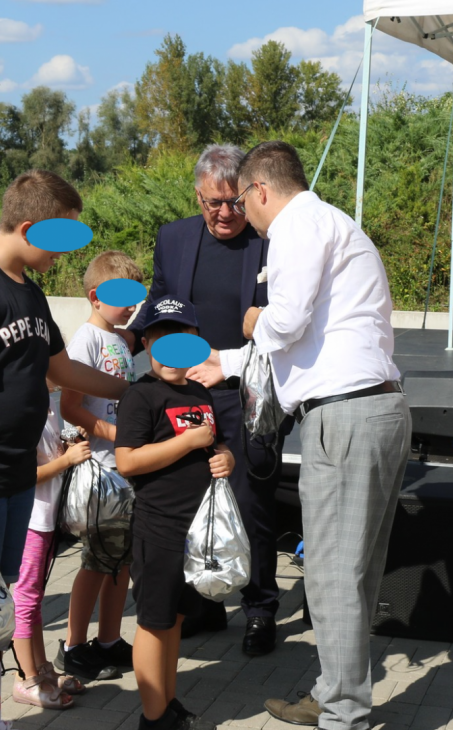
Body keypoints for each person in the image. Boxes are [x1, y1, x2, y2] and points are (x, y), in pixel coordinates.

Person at [0, 169, 129, 730]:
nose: (65, 253)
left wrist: (135, 390)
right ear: (31, 226)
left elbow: (59, 369)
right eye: (62, 239)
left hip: (15, 477)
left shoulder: (29, 293)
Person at [236, 141, 411, 730]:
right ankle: (337, 694)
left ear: (261, 189)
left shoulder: (295, 226)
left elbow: (283, 323)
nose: (245, 215)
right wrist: (226, 360)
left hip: (342, 418)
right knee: (354, 575)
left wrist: (253, 320)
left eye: (243, 200)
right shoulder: (330, 222)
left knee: (334, 577)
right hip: (374, 408)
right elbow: (312, 339)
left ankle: (343, 716)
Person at [132, 143, 282, 657]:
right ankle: (204, 603)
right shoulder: (173, 238)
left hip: (247, 394)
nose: (224, 213)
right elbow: (157, 305)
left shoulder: (271, 240)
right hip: (184, 398)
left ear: (248, 194)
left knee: (250, 502)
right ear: (197, 195)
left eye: (233, 203)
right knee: (191, 502)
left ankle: (260, 608)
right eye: (212, 202)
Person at [115, 294, 234, 730]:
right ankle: (152, 717)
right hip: (159, 528)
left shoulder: (201, 392)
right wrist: (186, 443)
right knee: (153, 621)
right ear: (147, 342)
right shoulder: (141, 396)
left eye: (179, 338)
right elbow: (127, 461)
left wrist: (225, 459)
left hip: (197, 531)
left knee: (176, 620)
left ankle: (167, 702)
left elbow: (215, 444)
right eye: (159, 337)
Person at [56, 250, 143, 681]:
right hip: (102, 471)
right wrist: (112, 435)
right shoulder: (86, 340)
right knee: (94, 561)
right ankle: (74, 646)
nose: (132, 306)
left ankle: (108, 639)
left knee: (120, 560)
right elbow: (70, 405)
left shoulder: (122, 341)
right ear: (94, 296)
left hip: (125, 469)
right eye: (123, 296)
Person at [10, 386, 91, 710]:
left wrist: (66, 447)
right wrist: (67, 459)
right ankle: (25, 677)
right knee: (25, 598)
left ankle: (42, 669)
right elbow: (21, 474)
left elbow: (47, 455)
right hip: (30, 520)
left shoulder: (47, 405)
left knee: (35, 597)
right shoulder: (21, 409)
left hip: (46, 518)